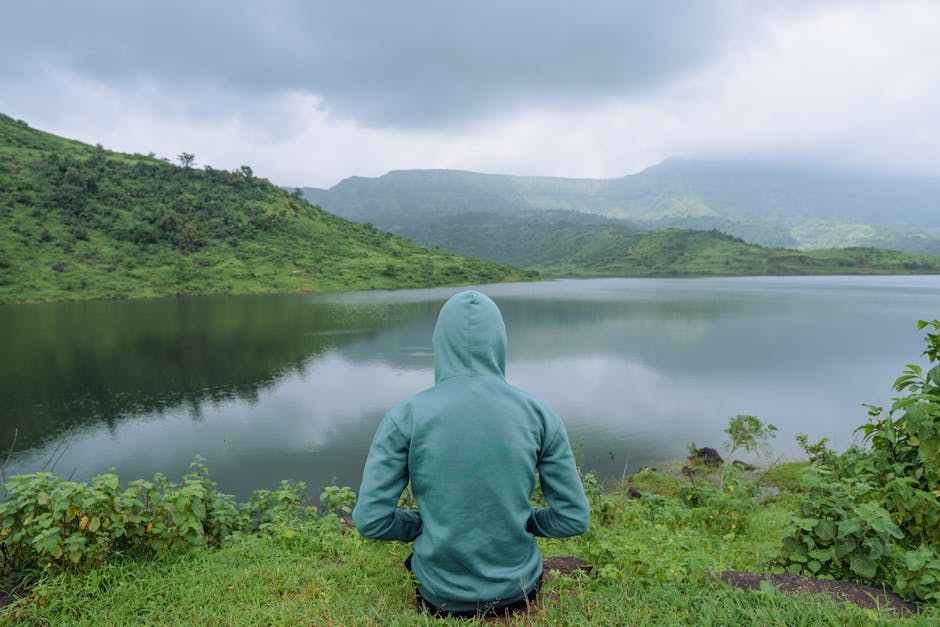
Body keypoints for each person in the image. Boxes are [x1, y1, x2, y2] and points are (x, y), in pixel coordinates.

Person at [352, 289, 590, 618]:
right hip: (518, 591)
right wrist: (522, 521)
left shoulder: (405, 416)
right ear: (499, 342)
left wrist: (424, 526)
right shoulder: (540, 415)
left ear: (440, 343)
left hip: (438, 596)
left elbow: (370, 521)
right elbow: (573, 519)